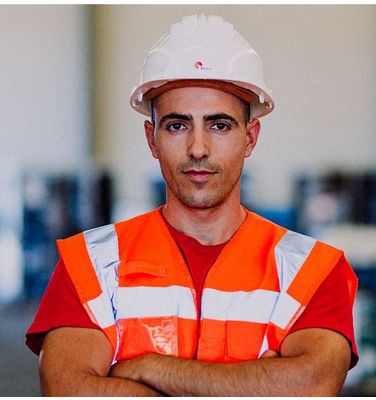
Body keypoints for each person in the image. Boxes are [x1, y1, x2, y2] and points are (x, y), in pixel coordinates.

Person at [26, 14, 358, 396]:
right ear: (152, 138)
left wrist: (149, 368)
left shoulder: (312, 270)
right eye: (177, 126)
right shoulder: (91, 265)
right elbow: (69, 389)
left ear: (250, 138)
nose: (198, 148)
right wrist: (257, 384)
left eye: (219, 125)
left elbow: (311, 385)